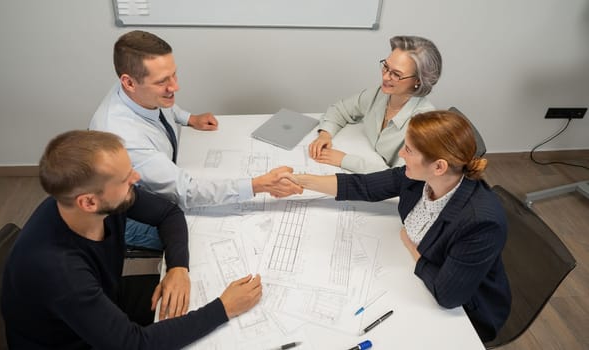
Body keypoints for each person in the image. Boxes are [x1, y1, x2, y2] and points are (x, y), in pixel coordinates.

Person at [1, 130, 262, 349]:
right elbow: (132, 345)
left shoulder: (96, 203)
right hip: (72, 342)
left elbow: (168, 212)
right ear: (89, 201)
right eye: (126, 179)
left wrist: (178, 267)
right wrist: (223, 309)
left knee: (192, 295)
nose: (136, 179)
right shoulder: (59, 270)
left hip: (107, 298)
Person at [290, 111, 511, 342]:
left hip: (467, 313)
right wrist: (299, 181)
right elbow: (364, 186)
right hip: (413, 277)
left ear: (439, 166)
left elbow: (447, 295)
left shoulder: (481, 222)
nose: (401, 154)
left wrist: (411, 247)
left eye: (409, 150)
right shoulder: (420, 177)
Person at [90, 30, 302, 250]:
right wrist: (258, 184)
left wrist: (188, 118)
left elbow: (159, 104)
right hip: (130, 217)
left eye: (174, 75)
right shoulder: (124, 138)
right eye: (163, 81)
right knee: (214, 238)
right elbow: (186, 192)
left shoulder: (133, 91)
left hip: (159, 185)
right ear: (129, 82)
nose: (175, 86)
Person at [309, 35, 442, 172]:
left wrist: (344, 160)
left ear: (418, 80)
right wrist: (325, 135)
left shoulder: (424, 124)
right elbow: (340, 110)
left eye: (396, 74)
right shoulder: (380, 94)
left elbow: (401, 176)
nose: (385, 77)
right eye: (386, 66)